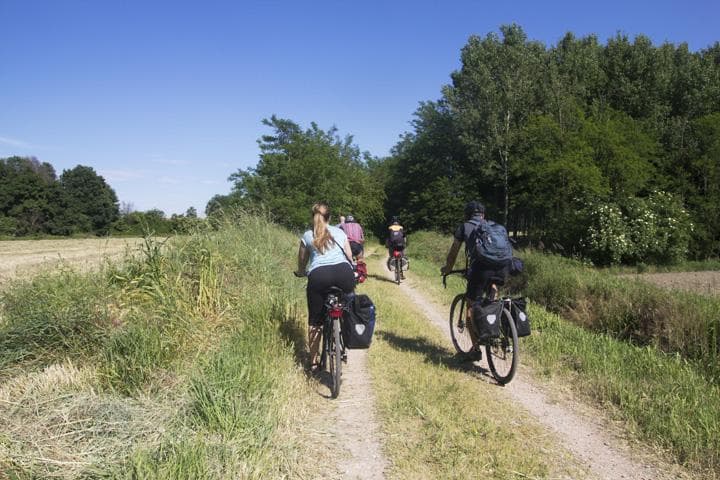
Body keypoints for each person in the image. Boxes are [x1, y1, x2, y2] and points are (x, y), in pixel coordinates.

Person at [440, 201, 511, 359]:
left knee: (470, 308)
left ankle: (475, 350)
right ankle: (496, 326)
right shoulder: (493, 227)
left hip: (481, 270)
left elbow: (454, 252)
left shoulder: (464, 227)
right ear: (483, 215)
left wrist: (448, 268)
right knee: (492, 298)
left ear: (467, 214)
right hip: (502, 269)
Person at [294, 203, 355, 372]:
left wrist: (301, 272)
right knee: (348, 305)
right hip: (344, 274)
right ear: (329, 217)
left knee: (315, 321)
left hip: (318, 277)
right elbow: (349, 257)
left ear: (313, 217)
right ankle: (346, 331)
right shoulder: (340, 232)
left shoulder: (307, 235)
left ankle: (313, 363)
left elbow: (302, 261)